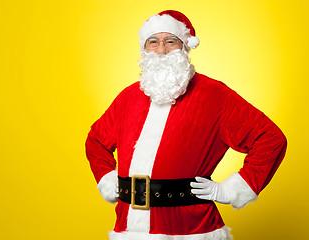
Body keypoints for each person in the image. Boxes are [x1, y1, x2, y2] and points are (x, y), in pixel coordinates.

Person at [85, 10, 287, 240]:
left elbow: (270, 138)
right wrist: (106, 177)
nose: (161, 50)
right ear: (144, 48)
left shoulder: (215, 95)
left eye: (170, 41)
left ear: (185, 47)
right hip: (129, 226)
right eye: (153, 42)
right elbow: (96, 141)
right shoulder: (128, 97)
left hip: (191, 228)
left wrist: (231, 190)